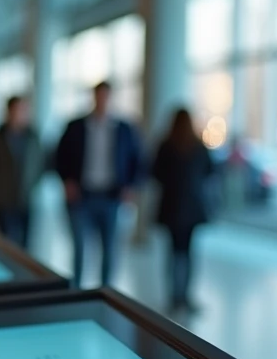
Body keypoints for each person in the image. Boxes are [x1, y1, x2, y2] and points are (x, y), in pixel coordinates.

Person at [54, 81, 143, 288]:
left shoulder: (124, 129)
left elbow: (138, 160)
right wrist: (67, 181)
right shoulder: (76, 127)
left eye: (106, 97)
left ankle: (106, 291)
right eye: (99, 96)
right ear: (93, 97)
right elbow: (59, 157)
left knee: (110, 248)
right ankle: (76, 289)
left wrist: (130, 186)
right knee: (79, 247)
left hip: (111, 196)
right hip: (82, 195)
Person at [151, 109, 216, 312]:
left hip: (172, 206)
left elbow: (155, 173)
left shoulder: (166, 145)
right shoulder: (197, 146)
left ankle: (174, 296)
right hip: (192, 207)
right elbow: (210, 171)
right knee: (187, 254)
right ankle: (185, 296)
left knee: (173, 253)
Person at [0, 95, 43, 248]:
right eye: (17, 110)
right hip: (3, 200)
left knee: (25, 243)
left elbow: (40, 165)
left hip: (25, 198)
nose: (20, 114)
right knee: (3, 242)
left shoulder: (33, 137)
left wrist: (33, 186)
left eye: (24, 110)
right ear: (9, 112)